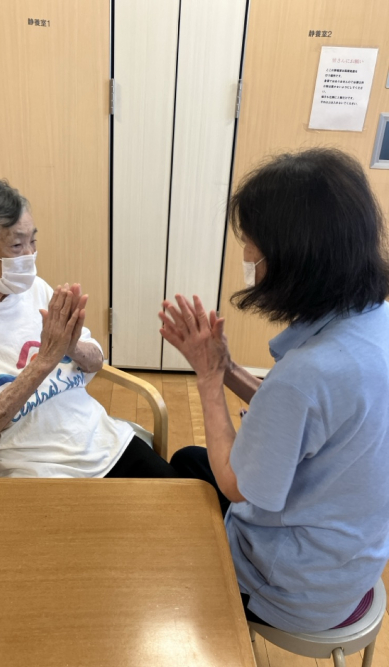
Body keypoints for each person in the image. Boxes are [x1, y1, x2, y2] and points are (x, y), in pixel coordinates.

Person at [161, 148, 389, 633]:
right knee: (187, 461)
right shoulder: (375, 323)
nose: (246, 256)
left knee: (180, 498)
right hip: (353, 562)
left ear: (289, 258)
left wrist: (208, 378)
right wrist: (226, 367)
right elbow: (310, 418)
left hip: (290, 587)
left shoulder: (308, 374)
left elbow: (236, 485)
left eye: (250, 242)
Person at [0, 178, 177, 479]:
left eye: (33, 241)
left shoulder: (35, 289)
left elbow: (96, 361)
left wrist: (72, 346)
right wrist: (43, 361)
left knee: (179, 498)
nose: (30, 254)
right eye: (17, 245)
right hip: (39, 469)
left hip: (102, 440)